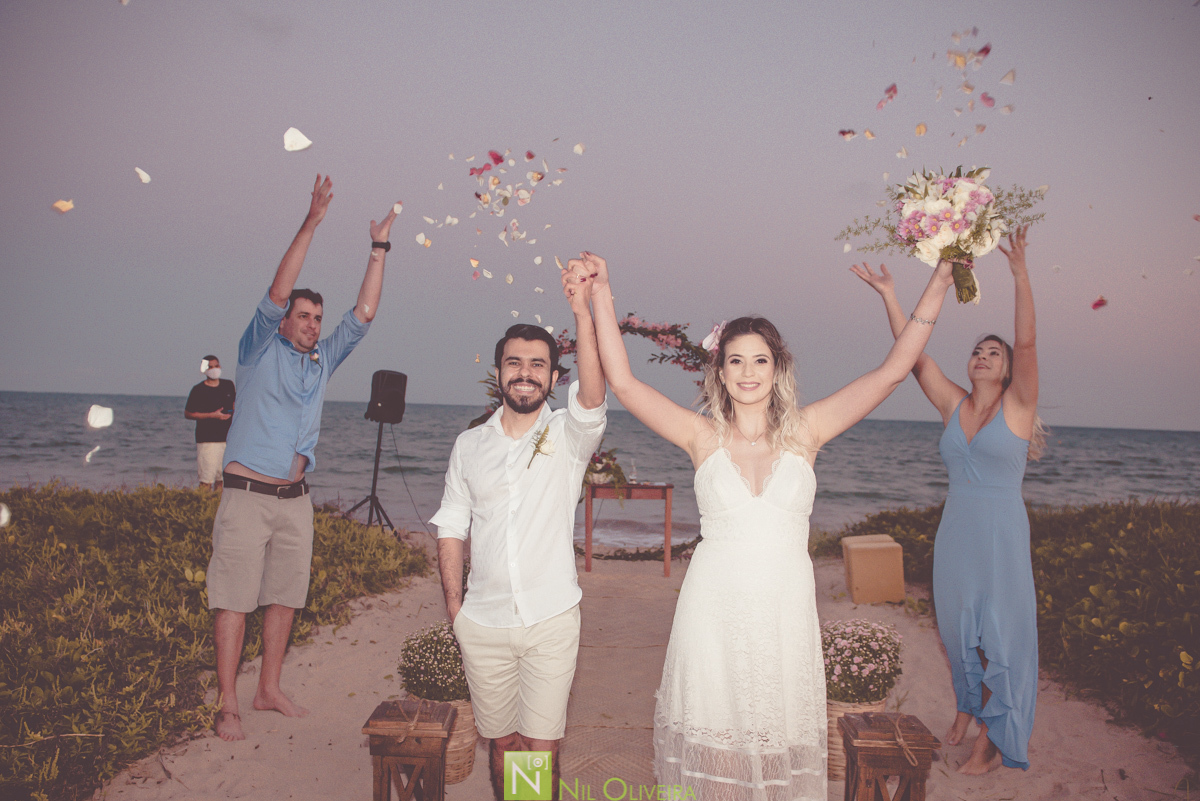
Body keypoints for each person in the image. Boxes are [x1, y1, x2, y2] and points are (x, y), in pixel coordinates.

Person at [567, 251, 955, 800]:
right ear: (720, 371)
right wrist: (603, 292)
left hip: (782, 613)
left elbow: (894, 370)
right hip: (712, 609)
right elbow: (625, 384)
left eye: (760, 361)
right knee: (715, 741)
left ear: (779, 368)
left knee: (775, 740)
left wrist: (938, 281)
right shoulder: (701, 436)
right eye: (736, 361)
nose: (748, 373)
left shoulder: (809, 431)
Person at [206, 175, 399, 741]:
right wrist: (312, 222)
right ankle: (228, 704)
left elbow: (364, 312)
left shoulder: (322, 361)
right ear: (285, 320)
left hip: (294, 501)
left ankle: (267, 690)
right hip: (245, 497)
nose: (313, 324)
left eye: (317, 317)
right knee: (234, 602)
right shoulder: (257, 349)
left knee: (285, 599)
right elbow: (276, 288)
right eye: (304, 315)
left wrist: (378, 247)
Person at [852, 226, 1042, 774]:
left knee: (1000, 633)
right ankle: (970, 706)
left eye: (992, 353)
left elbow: (1026, 343)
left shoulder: (1020, 406)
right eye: (977, 350)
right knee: (959, 628)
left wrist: (1019, 273)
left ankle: (992, 735)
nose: (982, 356)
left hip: (1002, 532)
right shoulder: (953, 405)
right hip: (957, 530)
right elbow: (911, 359)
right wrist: (891, 295)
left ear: (1006, 370)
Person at [430, 264, 606, 801]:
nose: (525, 373)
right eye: (515, 363)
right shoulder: (470, 445)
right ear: (499, 372)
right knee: (502, 740)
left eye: (538, 365)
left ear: (554, 377)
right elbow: (452, 525)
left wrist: (582, 308)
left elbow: (594, 396)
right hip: (482, 624)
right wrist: (457, 611)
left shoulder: (568, 435)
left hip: (551, 620)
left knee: (541, 743)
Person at [185, 355, 236, 491]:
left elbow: (235, 404)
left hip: (227, 439)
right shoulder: (198, 390)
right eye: (210, 367)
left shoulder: (228, 385)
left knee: (223, 480)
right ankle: (203, 506)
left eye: (216, 366)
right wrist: (212, 415)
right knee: (206, 480)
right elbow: (188, 413)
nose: (214, 369)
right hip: (208, 441)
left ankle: (216, 508)